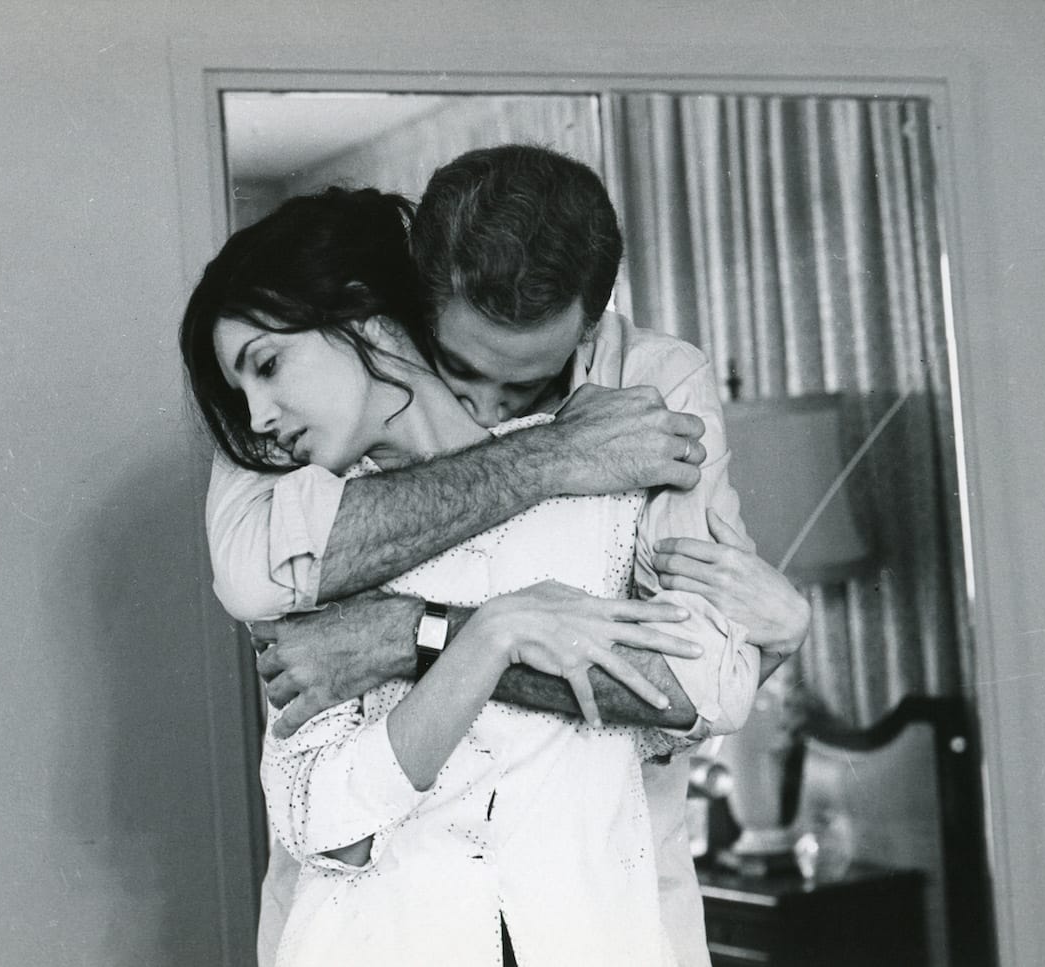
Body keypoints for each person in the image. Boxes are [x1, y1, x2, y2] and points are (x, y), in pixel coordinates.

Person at [207, 147, 811, 966]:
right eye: (461, 367)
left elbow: (697, 683)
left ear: (588, 330)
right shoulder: (309, 461)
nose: (489, 408)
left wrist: (419, 637)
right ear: (403, 312)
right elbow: (314, 801)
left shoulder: (646, 405)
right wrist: (552, 459)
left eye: (526, 384)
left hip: (596, 925)